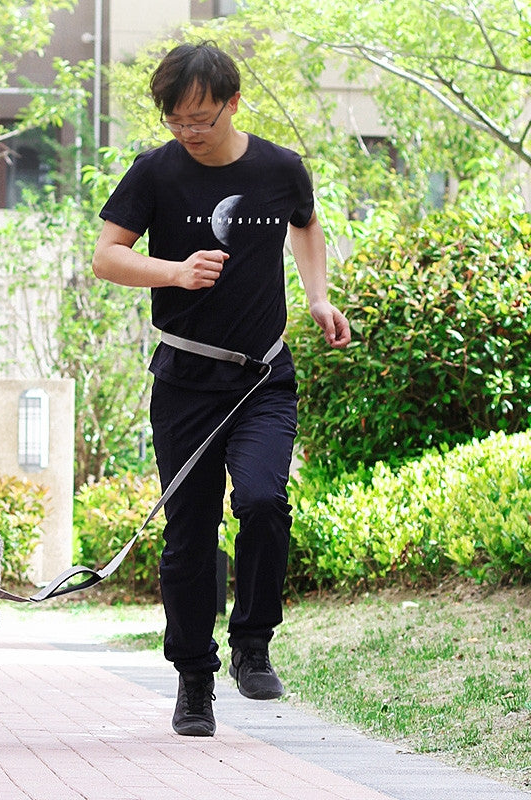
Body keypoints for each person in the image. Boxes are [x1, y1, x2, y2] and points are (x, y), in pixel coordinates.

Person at [92, 41, 351, 737]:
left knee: (264, 501)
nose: (190, 132)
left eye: (202, 118)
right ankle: (192, 680)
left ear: (233, 103)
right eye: (178, 120)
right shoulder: (154, 171)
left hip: (264, 374)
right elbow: (106, 256)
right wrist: (174, 272)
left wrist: (318, 297)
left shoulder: (279, 167)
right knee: (189, 536)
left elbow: (305, 227)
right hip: (183, 377)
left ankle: (253, 642)